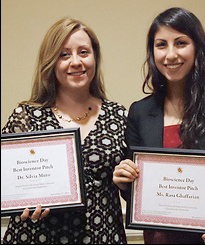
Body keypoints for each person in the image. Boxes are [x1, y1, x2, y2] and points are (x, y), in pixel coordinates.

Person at [113, 7, 205, 244]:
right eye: (161, 44)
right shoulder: (140, 112)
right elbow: (138, 190)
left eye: (181, 42)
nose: (171, 54)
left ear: (198, 47)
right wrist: (124, 180)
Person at [2, 18, 128, 244]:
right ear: (50, 62)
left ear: (95, 58)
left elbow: (134, 185)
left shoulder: (118, 115)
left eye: (83, 52)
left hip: (102, 236)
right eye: (64, 54)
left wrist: (127, 180)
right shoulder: (26, 116)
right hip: (37, 236)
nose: (76, 62)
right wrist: (20, 202)